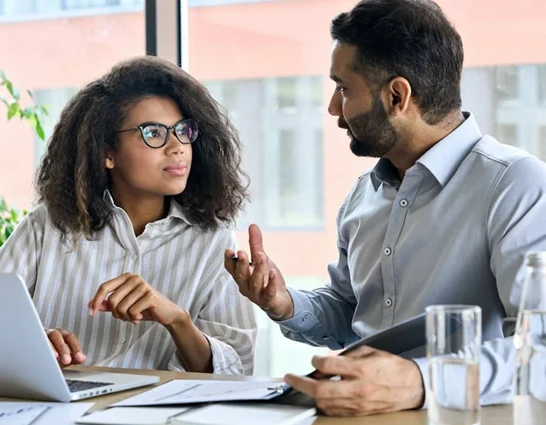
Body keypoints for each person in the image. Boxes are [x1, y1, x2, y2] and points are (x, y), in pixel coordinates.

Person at [225, 0, 546, 415]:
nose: (334, 109)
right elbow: (348, 315)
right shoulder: (364, 195)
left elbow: (539, 350)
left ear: (398, 95)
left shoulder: (515, 185)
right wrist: (284, 303)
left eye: (343, 89)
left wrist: (418, 381)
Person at [0, 56, 257, 375]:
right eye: (154, 133)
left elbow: (238, 370)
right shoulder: (48, 225)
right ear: (106, 153)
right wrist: (31, 340)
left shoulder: (213, 238)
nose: (177, 146)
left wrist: (177, 320)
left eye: (183, 130)